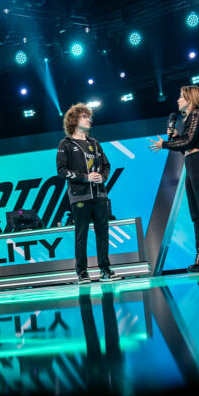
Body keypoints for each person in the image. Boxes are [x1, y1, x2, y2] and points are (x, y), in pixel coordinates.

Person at [149, 86, 199, 271]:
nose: (178, 100)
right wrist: (176, 138)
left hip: (197, 163)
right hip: (191, 163)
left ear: (191, 99)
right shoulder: (191, 118)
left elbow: (189, 142)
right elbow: (187, 143)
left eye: (181, 97)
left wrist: (165, 144)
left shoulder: (196, 114)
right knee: (196, 214)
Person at [56, 103, 116, 283]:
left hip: (100, 195)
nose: (88, 119)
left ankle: (105, 270)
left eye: (89, 116)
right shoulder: (66, 144)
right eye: (84, 116)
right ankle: (82, 272)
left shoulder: (94, 143)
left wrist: (102, 177)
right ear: (74, 120)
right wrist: (85, 177)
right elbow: (61, 171)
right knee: (81, 235)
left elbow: (106, 165)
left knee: (103, 234)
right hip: (79, 196)